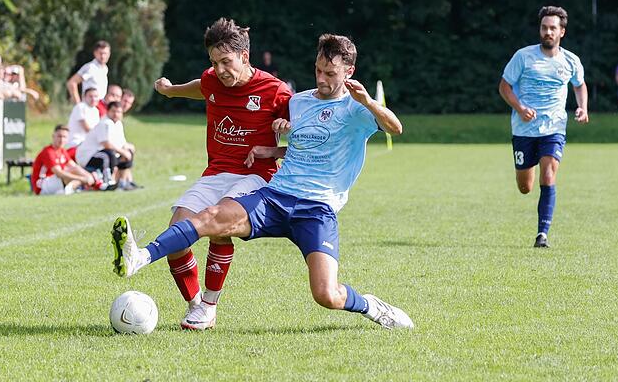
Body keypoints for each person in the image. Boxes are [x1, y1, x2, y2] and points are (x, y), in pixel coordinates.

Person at [112, 34, 413, 331]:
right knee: (213, 218)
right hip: (276, 196)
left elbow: (395, 128)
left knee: (327, 295)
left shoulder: (356, 109)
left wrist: (369, 102)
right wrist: (274, 149)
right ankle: (141, 256)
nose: (322, 78)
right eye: (318, 70)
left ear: (349, 72)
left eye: (330, 73)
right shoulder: (300, 102)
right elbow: (305, 144)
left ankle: (372, 306)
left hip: (317, 208)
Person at [150, 17, 291, 330]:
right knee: (177, 235)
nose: (220, 70)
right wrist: (171, 91)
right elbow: (200, 87)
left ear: (244, 56)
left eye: (226, 62)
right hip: (215, 171)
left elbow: (306, 128)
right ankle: (196, 305)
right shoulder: (211, 79)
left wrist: (287, 127)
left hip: (255, 175)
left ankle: (210, 304)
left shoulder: (273, 89)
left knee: (218, 226)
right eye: (214, 63)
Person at [498, 6, 589, 248]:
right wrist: (519, 108)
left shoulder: (570, 60)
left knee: (548, 174)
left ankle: (542, 235)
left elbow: (579, 85)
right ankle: (529, 171)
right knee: (525, 187)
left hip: (554, 127)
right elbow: (504, 87)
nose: (547, 32)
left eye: (552, 28)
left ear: (562, 32)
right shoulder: (523, 57)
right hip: (524, 129)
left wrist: (582, 107)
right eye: (544, 27)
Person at [75, 101, 139, 191]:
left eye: (118, 112)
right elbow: (106, 144)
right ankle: (107, 182)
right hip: (88, 155)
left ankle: (123, 182)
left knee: (128, 153)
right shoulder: (104, 123)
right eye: (113, 111)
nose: (116, 114)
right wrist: (123, 152)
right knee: (108, 155)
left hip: (102, 153)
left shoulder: (118, 124)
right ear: (108, 111)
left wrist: (128, 148)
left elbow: (122, 143)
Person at [30, 125, 101, 195]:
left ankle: (92, 183)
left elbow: (75, 166)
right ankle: (78, 187)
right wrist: (82, 179)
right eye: (59, 136)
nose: (61, 139)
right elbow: (59, 173)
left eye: (64, 137)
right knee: (71, 172)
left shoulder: (62, 151)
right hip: (42, 186)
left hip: (54, 182)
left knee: (76, 169)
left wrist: (89, 176)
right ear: (53, 136)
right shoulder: (48, 152)